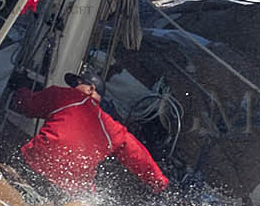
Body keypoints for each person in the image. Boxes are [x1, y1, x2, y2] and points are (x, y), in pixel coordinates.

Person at [10, 73, 169, 197]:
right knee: (91, 194)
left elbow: (28, 105)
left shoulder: (68, 97)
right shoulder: (112, 129)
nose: (72, 88)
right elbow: (138, 156)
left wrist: (20, 89)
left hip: (33, 168)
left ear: (91, 89)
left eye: (76, 84)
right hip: (67, 191)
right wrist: (159, 183)